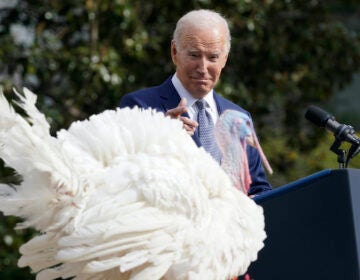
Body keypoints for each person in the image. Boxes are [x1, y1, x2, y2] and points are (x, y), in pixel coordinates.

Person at [120, 9, 271, 196]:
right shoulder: (139, 107)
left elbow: (259, 189)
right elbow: (121, 179)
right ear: (174, 52)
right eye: (194, 55)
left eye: (213, 57)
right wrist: (160, 138)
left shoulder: (238, 117)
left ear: (225, 59)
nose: (203, 68)